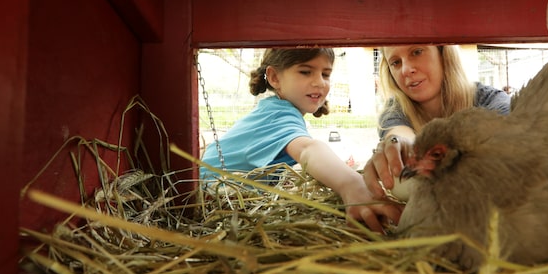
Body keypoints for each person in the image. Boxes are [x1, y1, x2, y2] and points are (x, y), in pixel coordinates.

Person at [200, 47, 401, 233]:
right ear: (274, 77)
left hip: (227, 199)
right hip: (210, 199)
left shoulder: (277, 110)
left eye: (325, 74)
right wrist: (353, 184)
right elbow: (308, 150)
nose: (320, 82)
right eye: (305, 72)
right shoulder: (277, 115)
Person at [363, 45, 510, 197]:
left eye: (417, 52)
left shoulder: (493, 102)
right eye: (396, 62)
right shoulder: (394, 111)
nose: (405, 70)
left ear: (443, 53)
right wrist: (402, 146)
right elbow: (400, 136)